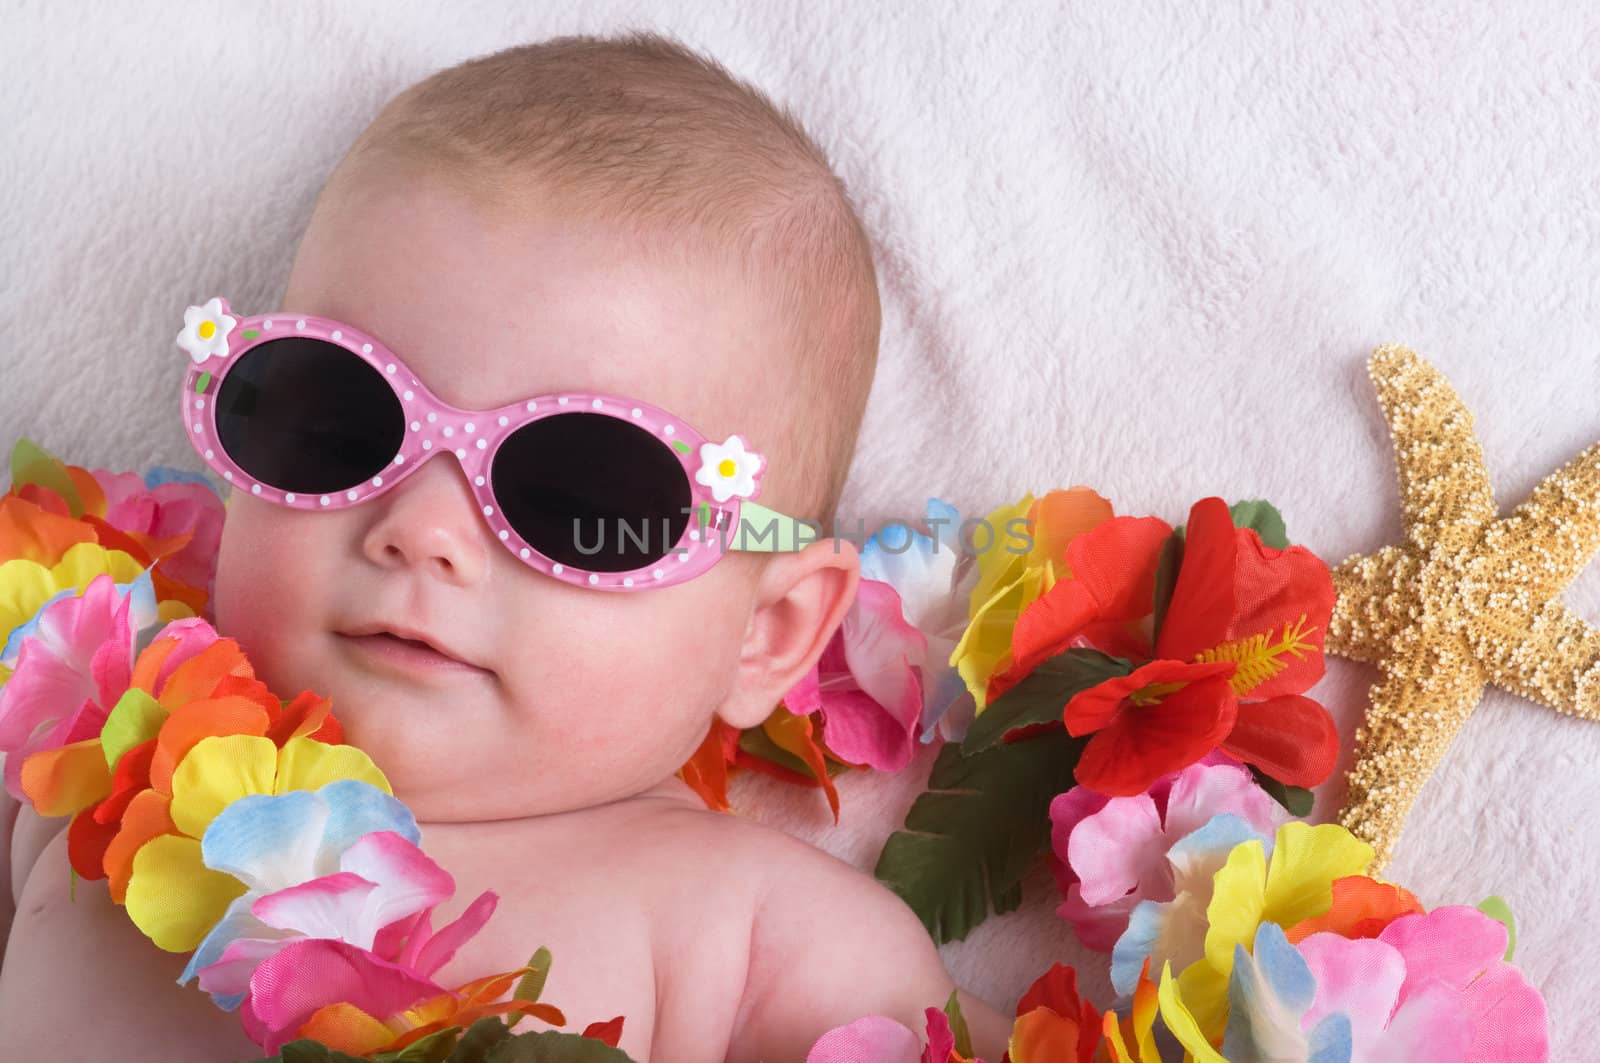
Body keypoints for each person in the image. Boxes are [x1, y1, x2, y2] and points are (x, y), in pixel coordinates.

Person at [0, 32, 1013, 1061]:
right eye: (340, 422)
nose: (422, 533)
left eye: (576, 494)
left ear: (767, 631)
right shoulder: (80, 755)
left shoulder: (757, 934)